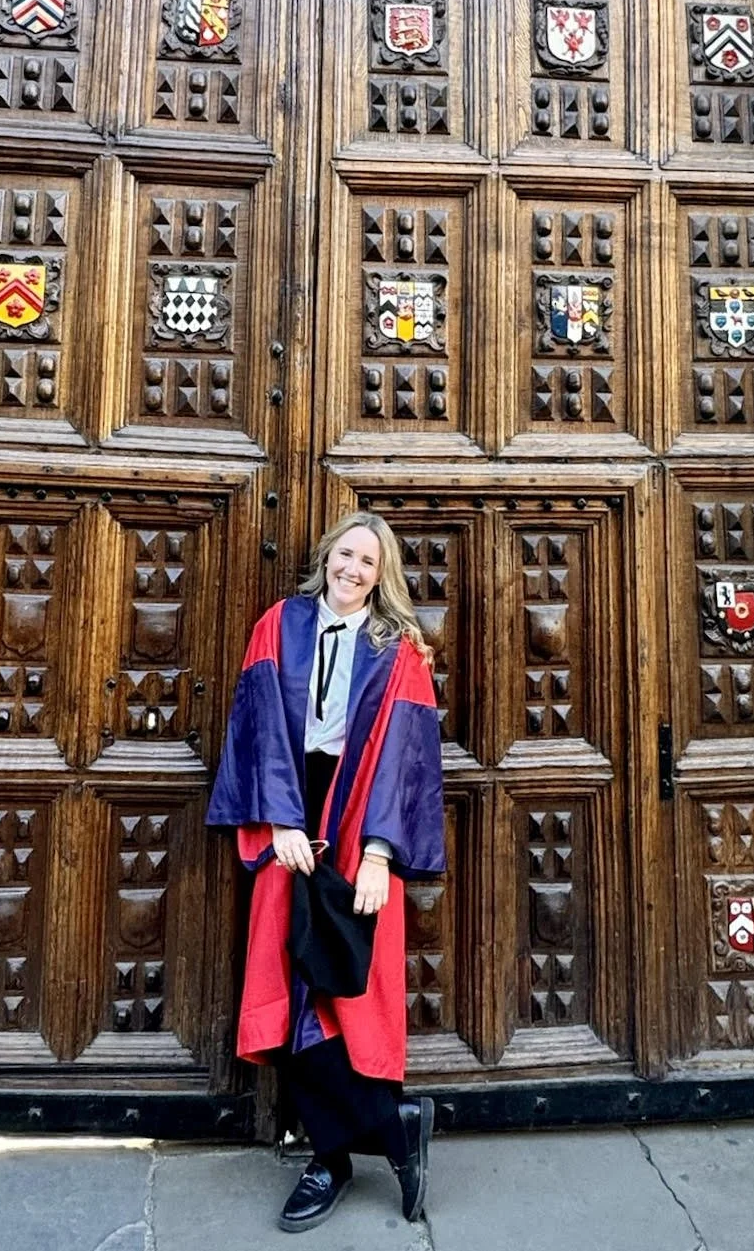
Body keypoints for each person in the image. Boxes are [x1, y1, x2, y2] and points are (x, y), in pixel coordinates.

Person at [206, 511, 446, 1231]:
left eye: (368, 562)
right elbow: (254, 722)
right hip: (290, 806)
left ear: (383, 574)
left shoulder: (396, 646)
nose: (352, 569)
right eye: (346, 553)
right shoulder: (277, 622)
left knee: (345, 982)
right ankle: (382, 1130)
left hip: (356, 812)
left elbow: (407, 748)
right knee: (283, 976)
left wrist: (378, 852)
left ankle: (334, 1153)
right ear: (326, 555)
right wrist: (279, 818)